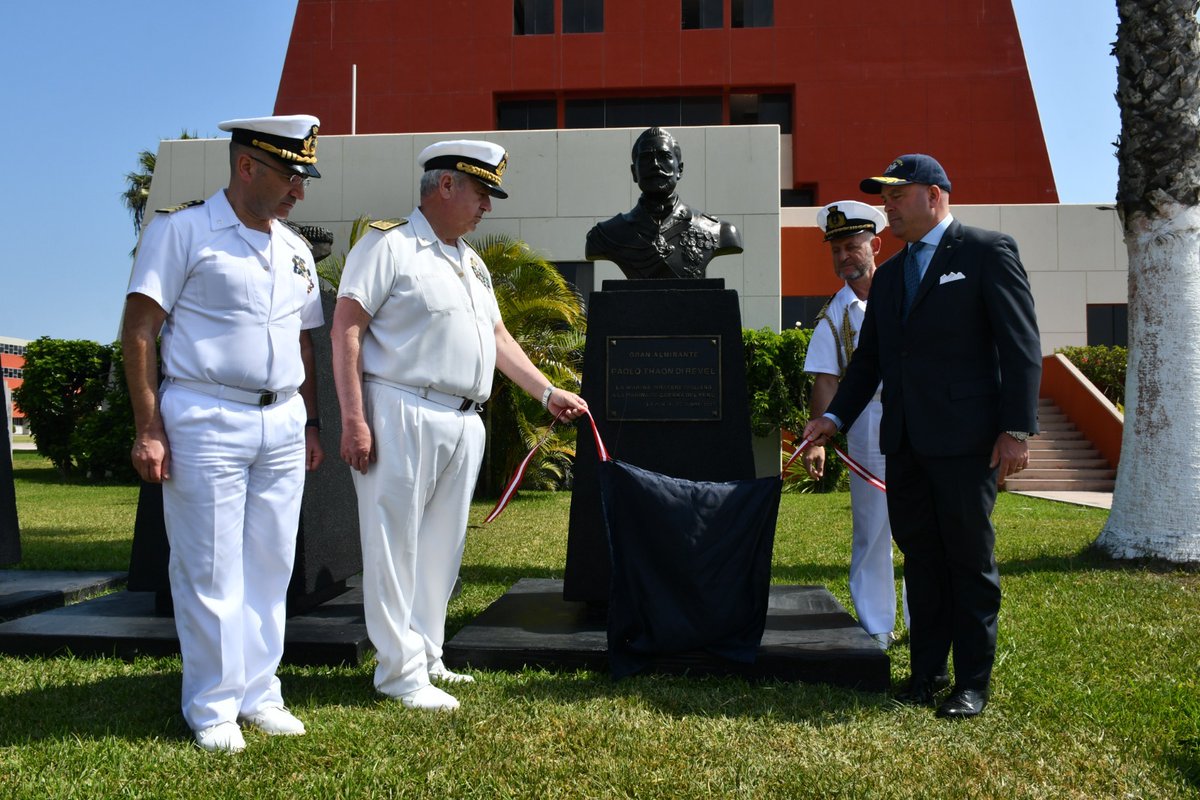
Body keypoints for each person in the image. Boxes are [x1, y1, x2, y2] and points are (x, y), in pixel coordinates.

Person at [331, 139, 588, 712]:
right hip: (400, 407)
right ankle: (398, 674)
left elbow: (496, 338)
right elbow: (346, 328)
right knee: (394, 545)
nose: (488, 206)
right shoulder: (389, 246)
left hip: (462, 418)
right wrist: (353, 419)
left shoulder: (471, 262)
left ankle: (427, 656)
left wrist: (544, 391)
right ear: (445, 186)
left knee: (441, 549)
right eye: (481, 192)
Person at [801, 154, 1041, 719]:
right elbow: (870, 363)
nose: (888, 206)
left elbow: (1021, 346)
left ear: (934, 195)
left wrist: (1015, 430)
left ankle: (972, 683)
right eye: (885, 197)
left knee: (968, 561)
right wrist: (833, 419)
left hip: (966, 443)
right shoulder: (889, 278)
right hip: (904, 443)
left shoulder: (985, 252)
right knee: (923, 561)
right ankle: (926, 674)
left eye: (897, 195)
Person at [122, 114, 325, 752]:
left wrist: (312, 421)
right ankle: (211, 707)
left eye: (303, 177)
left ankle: (260, 693)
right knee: (209, 566)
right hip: (206, 414)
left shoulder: (294, 248)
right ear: (246, 166)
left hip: (283, 419)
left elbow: (303, 342)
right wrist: (148, 428)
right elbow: (138, 331)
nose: (300, 189)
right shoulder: (182, 230)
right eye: (292, 175)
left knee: (272, 565)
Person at [801, 200, 907, 650]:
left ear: (875, 245)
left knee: (923, 522)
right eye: (836, 249)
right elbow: (826, 379)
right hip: (866, 423)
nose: (844, 256)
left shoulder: (908, 292)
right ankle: (878, 624)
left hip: (917, 414)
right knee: (873, 524)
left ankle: (927, 620)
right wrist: (818, 438)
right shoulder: (833, 315)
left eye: (852, 246)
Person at [585, 127, 743, 279]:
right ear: (634, 172)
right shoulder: (605, 235)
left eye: (664, 156)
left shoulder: (720, 231)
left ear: (679, 169)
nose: (654, 164)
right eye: (646, 158)